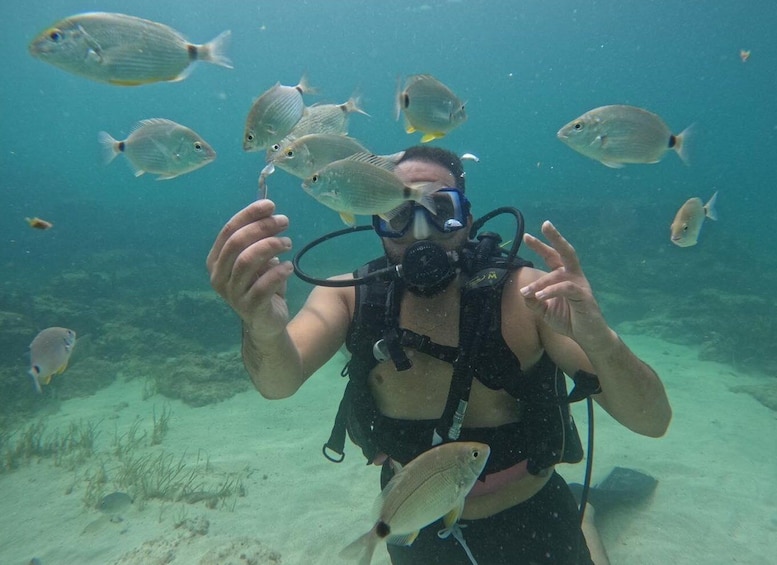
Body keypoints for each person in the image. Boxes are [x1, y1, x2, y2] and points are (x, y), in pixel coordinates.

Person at [206, 146, 672, 565]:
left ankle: (584, 515)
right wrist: (262, 329)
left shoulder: (529, 295)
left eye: (439, 208)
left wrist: (602, 341)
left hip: (530, 514)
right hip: (416, 525)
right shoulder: (349, 297)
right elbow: (277, 383)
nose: (420, 229)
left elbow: (652, 421)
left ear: (466, 219)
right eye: (398, 211)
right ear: (375, 215)